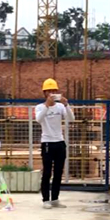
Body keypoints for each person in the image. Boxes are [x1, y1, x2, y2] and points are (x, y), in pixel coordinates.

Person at [35, 78, 74, 209]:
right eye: (49, 91)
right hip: (47, 142)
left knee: (58, 172)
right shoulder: (40, 107)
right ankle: (46, 199)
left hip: (59, 142)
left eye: (54, 91)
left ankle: (55, 198)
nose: (51, 93)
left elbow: (71, 118)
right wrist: (47, 105)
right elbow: (38, 119)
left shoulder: (60, 107)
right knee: (47, 172)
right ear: (44, 93)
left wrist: (66, 105)